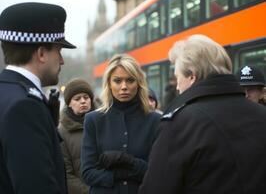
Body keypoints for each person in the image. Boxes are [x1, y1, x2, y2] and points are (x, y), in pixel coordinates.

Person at [138, 35, 266, 194]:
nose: (177, 87)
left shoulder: (180, 125)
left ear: (192, 76)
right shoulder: (261, 114)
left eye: (178, 77)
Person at [0, 2, 76, 194]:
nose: (62, 60)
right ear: (42, 53)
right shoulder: (25, 107)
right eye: (59, 51)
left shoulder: (8, 91)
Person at [81, 54, 161, 194]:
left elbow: (157, 172)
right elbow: (88, 173)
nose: (124, 87)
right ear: (109, 84)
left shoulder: (155, 120)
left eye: (130, 80)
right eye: (117, 81)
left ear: (139, 83)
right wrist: (120, 175)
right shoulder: (93, 120)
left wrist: (129, 161)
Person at [58, 78, 95, 194]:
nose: (83, 101)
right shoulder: (62, 132)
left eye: (86, 97)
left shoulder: (104, 122)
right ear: (69, 103)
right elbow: (66, 175)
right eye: (77, 99)